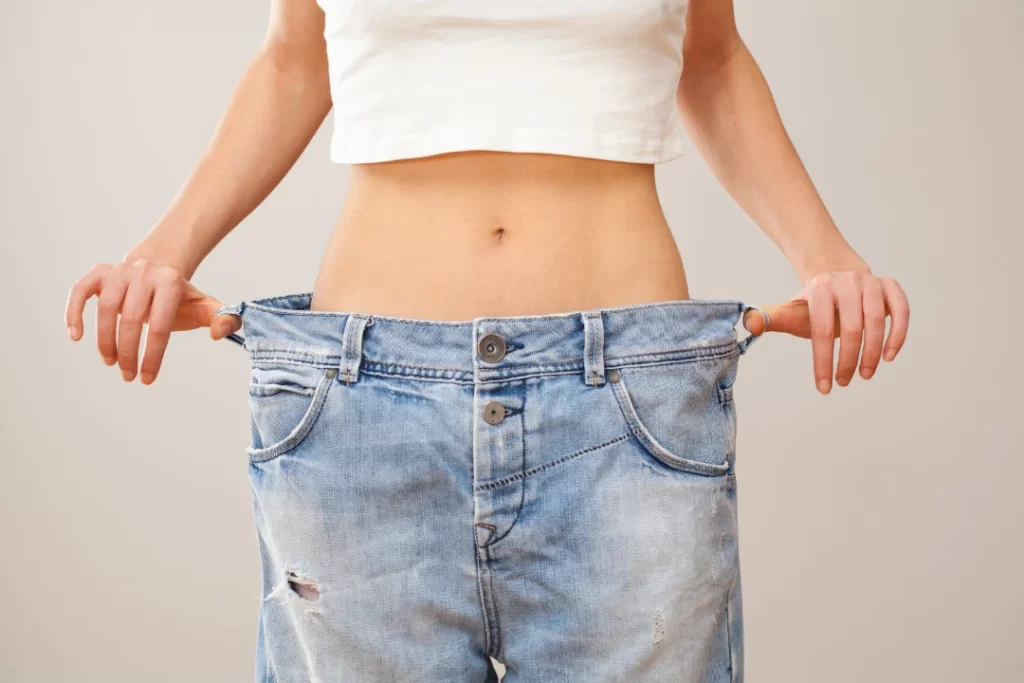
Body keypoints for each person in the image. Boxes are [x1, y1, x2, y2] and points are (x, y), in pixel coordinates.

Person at [64, 1, 909, 681]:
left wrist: (824, 252)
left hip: (625, 414)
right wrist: (165, 250)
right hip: (366, 420)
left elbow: (713, 58)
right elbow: (296, 58)